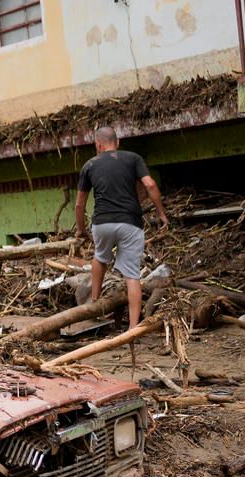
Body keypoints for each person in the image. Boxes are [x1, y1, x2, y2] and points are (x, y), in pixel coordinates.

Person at [74, 126, 170, 329]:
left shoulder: (89, 165)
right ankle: (133, 327)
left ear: (97, 145)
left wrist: (81, 229)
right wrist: (161, 214)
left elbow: (79, 204)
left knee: (100, 257)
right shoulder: (133, 158)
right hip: (130, 222)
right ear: (117, 143)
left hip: (102, 223)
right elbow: (150, 185)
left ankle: (95, 301)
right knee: (132, 275)